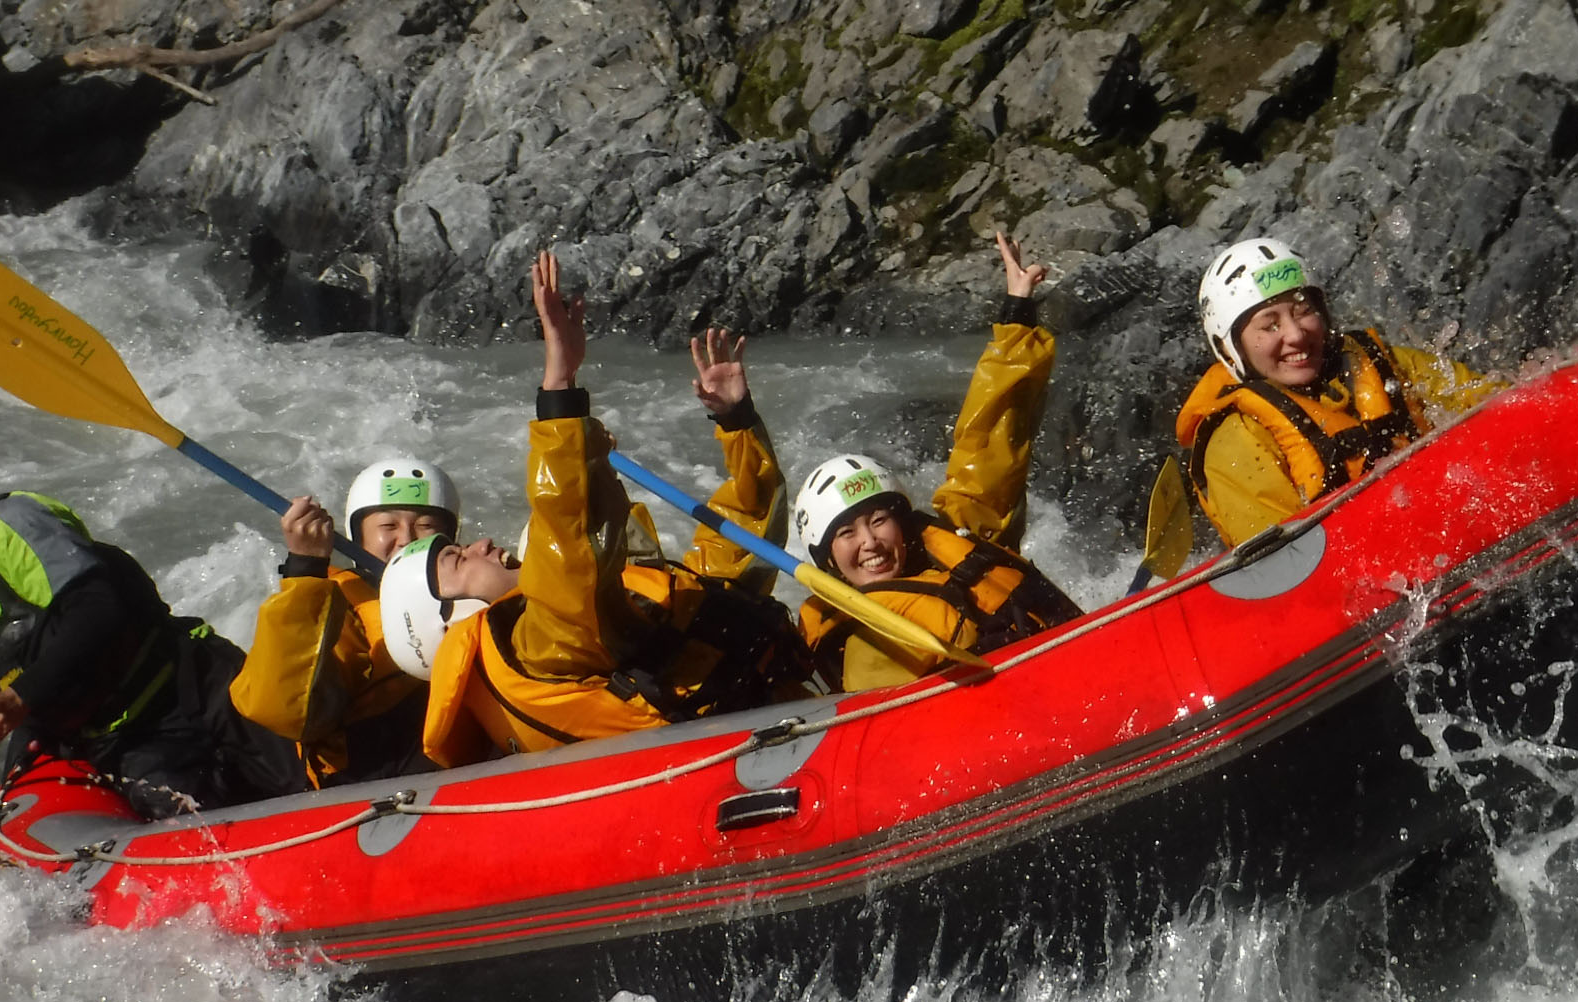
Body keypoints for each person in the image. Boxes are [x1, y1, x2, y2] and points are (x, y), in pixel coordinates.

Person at [399, 251, 811, 769]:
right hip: (743, 757)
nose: (480, 543)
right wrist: (559, 383)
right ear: (449, 620)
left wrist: (737, 423)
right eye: (458, 560)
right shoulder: (543, 652)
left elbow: (744, 542)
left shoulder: (603, 615)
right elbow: (568, 536)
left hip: (778, 719)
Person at [0, 422, 302, 817]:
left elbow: (97, 602)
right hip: (130, 743)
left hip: (197, 694)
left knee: (325, 782)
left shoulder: (7, 525)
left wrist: (21, 695)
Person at [790, 231, 1083, 692]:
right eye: (847, 533)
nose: (870, 543)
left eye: (879, 520)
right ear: (827, 560)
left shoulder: (956, 542)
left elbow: (988, 443)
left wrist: (1016, 314)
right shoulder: (862, 647)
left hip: (1076, 675)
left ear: (902, 524)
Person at [1175, 236, 1499, 547]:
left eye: (1303, 310)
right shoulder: (1234, 442)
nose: (1296, 334)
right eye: (1269, 325)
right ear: (1230, 348)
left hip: (1448, 527)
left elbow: (1498, 400)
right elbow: (1285, 567)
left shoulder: (1384, 364)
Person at [228, 459, 465, 787]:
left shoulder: (477, 584)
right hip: (371, 779)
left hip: (461, 757)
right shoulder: (341, 603)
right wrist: (305, 569)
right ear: (358, 538)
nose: (407, 539)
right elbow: (285, 713)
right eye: (388, 527)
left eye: (426, 526)